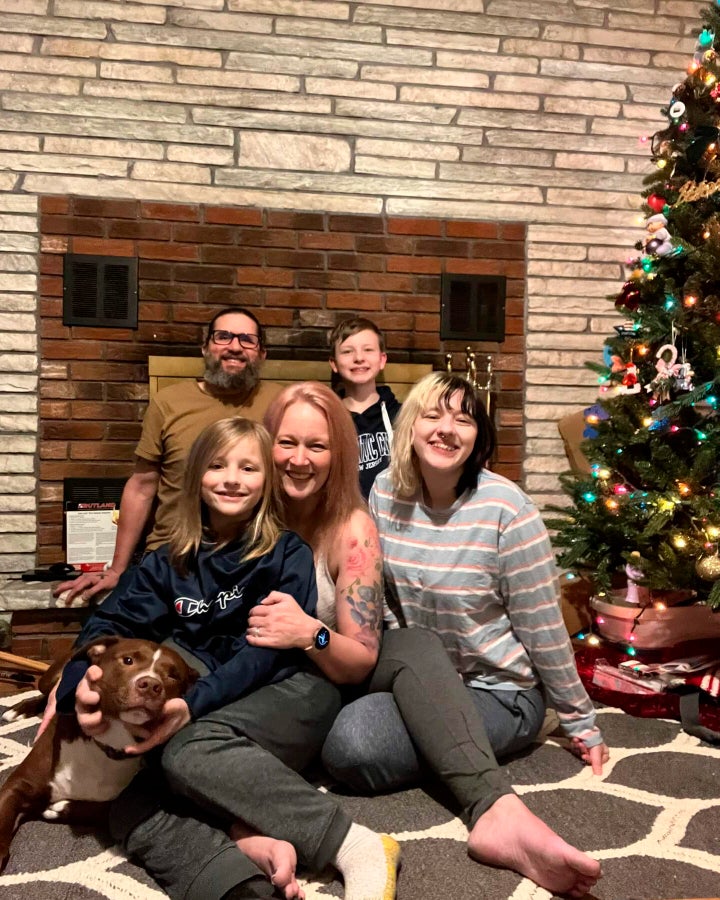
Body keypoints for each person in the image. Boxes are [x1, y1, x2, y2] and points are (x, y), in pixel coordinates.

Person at [55, 416, 398, 900]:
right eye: (217, 465)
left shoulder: (284, 553)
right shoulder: (166, 560)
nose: (232, 478)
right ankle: (238, 880)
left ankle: (353, 843)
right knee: (128, 804)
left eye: (248, 468)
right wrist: (78, 683)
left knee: (185, 752)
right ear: (196, 476)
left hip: (289, 691)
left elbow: (258, 655)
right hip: (211, 702)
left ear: (267, 482)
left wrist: (191, 706)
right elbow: (109, 626)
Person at [321, 371, 610, 899]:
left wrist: (581, 720)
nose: (447, 428)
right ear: (409, 425)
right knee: (343, 739)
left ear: (479, 435)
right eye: (433, 414)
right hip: (418, 677)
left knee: (354, 746)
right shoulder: (385, 492)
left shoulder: (507, 510)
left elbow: (543, 627)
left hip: (501, 692)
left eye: (464, 418)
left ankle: (497, 816)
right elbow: (383, 604)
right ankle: (458, 761)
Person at [54, 307, 282, 606]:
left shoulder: (283, 402)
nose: (234, 346)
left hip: (253, 557)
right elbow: (142, 486)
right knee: (107, 640)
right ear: (205, 348)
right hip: (171, 555)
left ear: (262, 353)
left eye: (247, 339)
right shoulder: (168, 403)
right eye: (223, 336)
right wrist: (117, 568)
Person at [329, 317, 401, 498]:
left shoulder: (403, 416)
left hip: (394, 516)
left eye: (368, 350)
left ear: (382, 359)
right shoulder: (327, 418)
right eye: (347, 351)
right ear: (334, 363)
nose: (359, 358)